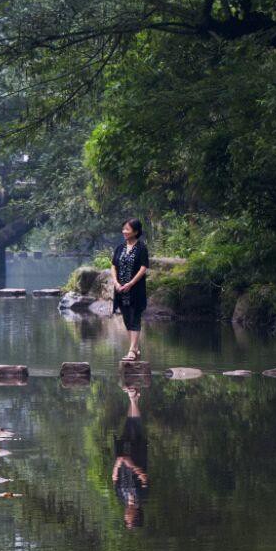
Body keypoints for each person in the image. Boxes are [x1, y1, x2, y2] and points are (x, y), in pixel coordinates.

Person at [111, 383, 150, 529]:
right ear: (135, 516)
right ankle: (132, 397)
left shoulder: (122, 498)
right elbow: (144, 477)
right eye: (128, 520)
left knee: (128, 425)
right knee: (136, 426)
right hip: (137, 456)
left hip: (122, 459)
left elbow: (114, 479)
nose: (125, 517)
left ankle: (133, 397)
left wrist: (118, 463)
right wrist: (131, 464)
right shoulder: (142, 496)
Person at [112, 218, 150, 361]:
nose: (124, 231)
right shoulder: (120, 248)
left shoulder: (141, 248)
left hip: (135, 290)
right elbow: (113, 265)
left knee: (135, 318)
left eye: (127, 229)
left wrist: (131, 283)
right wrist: (116, 282)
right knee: (127, 319)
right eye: (124, 229)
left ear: (135, 231)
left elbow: (143, 267)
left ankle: (132, 350)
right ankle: (134, 348)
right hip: (120, 290)